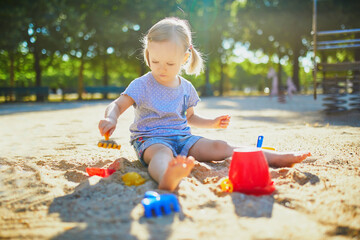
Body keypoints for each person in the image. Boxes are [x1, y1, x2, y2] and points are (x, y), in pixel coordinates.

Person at [98, 17, 311, 191]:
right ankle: (167, 177)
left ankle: (276, 157)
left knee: (221, 146)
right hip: (151, 140)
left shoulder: (186, 87)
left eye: (170, 63)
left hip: (183, 138)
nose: (162, 68)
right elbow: (118, 104)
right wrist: (111, 117)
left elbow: (190, 118)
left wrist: (212, 123)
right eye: (155, 61)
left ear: (184, 58)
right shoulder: (142, 84)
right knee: (163, 154)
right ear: (148, 56)